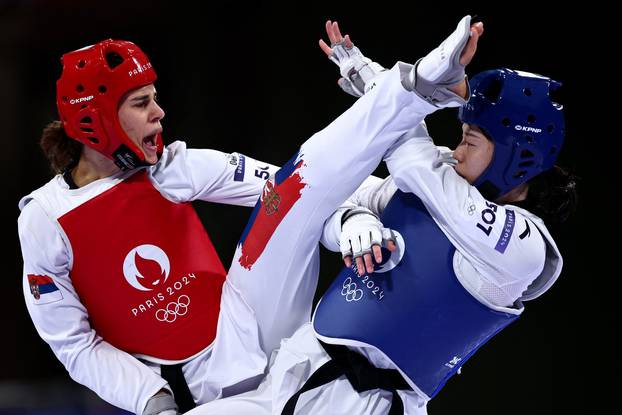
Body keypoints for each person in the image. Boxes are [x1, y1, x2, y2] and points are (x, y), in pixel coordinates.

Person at [184, 15, 577, 415]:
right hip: (297, 368)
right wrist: (353, 220)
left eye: (470, 141)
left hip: (367, 403)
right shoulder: (443, 181)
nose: (456, 152)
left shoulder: (524, 249)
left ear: (517, 157)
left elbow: (412, 162)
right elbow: (333, 187)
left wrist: (399, 85)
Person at [17, 39, 393, 415]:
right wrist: (150, 398)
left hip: (251, 328)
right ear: (95, 118)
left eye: (155, 98)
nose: (159, 113)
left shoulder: (170, 168)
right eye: (141, 103)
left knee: (287, 196)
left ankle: (402, 111)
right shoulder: (45, 218)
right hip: (195, 393)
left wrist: (362, 206)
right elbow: (73, 343)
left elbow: (287, 180)